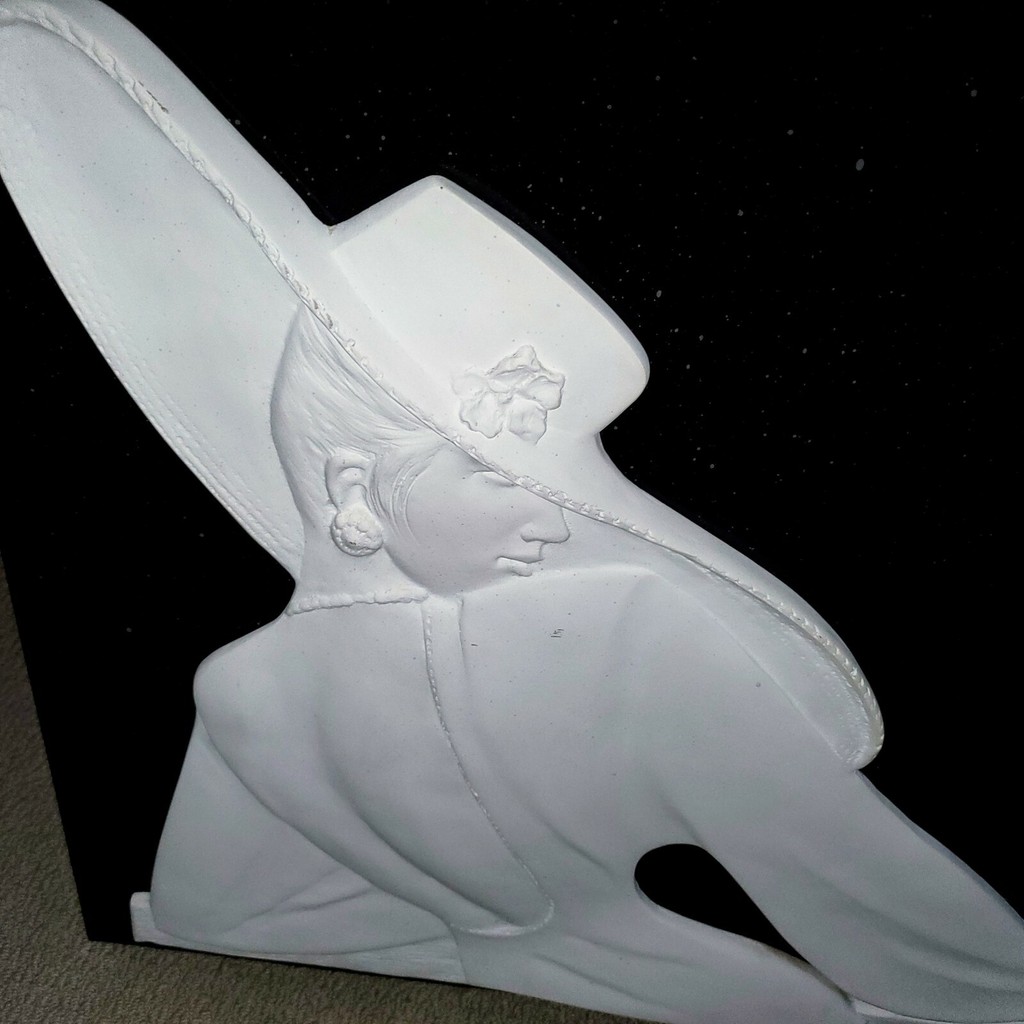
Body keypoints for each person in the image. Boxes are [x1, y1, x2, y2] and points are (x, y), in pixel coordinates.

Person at [134, 305, 1024, 1024]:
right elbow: (898, 922)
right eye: (499, 475)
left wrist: (464, 939)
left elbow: (205, 912)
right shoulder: (618, 625)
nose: (555, 523)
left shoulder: (235, 685)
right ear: (353, 486)